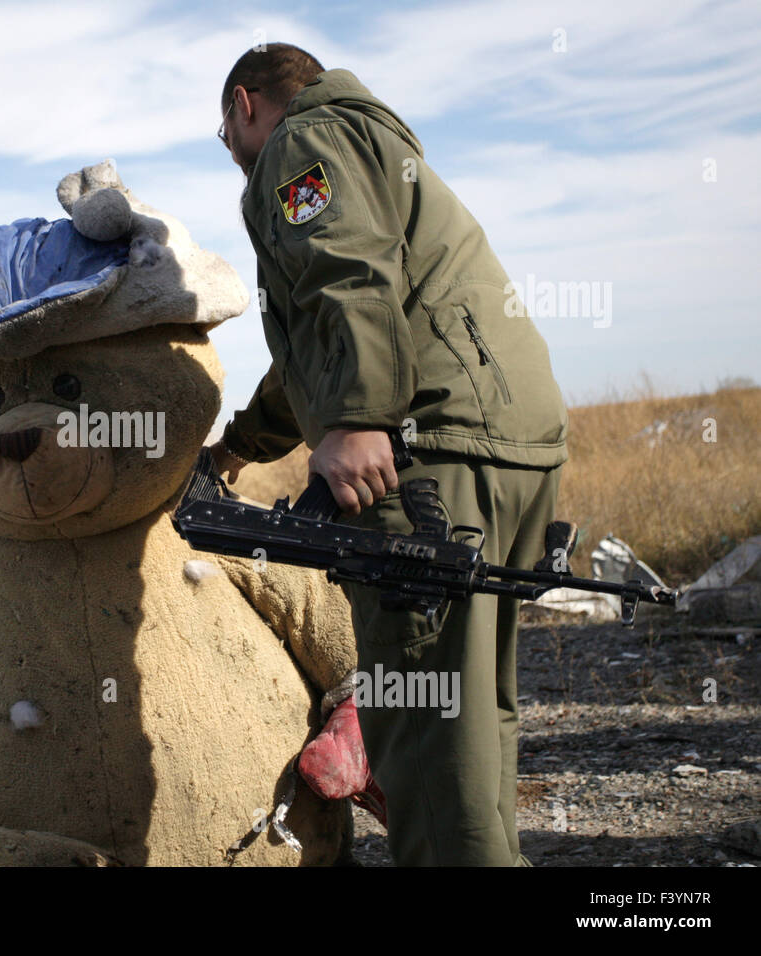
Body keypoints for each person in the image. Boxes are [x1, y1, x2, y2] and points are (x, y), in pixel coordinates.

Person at [209, 44, 569, 866]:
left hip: (429, 451)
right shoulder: (374, 144)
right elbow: (318, 343)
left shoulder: (303, 144)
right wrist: (238, 447)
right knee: (475, 715)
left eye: (222, 131)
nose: (228, 149)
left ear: (244, 105)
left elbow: (344, 276)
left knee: (426, 734)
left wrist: (360, 419)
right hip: (507, 442)